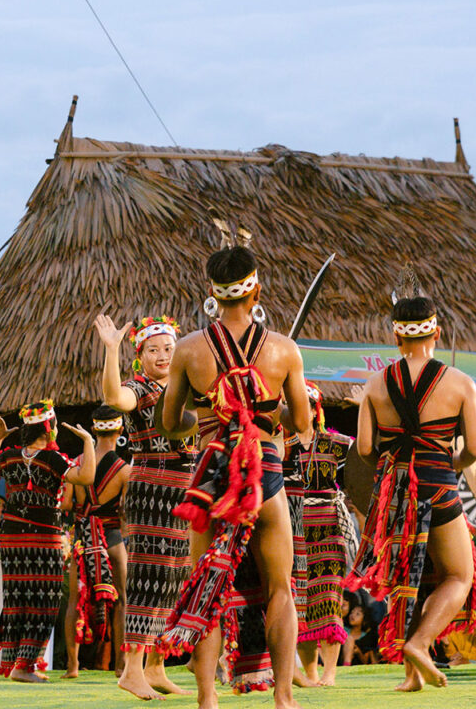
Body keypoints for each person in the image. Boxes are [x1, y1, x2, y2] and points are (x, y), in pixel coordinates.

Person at [155, 244, 312, 709]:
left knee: (208, 582)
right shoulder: (284, 350)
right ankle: (283, 697)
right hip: (266, 476)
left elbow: (169, 423)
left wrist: (209, 413)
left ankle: (208, 697)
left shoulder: (188, 350)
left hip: (213, 479)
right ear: (255, 288)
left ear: (212, 294)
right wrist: (266, 408)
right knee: (281, 588)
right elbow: (301, 423)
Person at [346, 294, 476, 692]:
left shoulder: (375, 384)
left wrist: (397, 469)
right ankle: (420, 644)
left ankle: (411, 676)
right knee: (458, 576)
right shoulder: (460, 383)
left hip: (396, 493)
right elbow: (473, 449)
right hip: (439, 483)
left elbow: (367, 449)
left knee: (414, 579)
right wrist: (446, 466)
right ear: (437, 332)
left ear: (396, 337)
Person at [94, 313, 191, 700]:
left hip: (184, 487)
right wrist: (111, 349)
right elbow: (113, 399)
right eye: (154, 349)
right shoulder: (139, 386)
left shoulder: (185, 387)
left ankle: (156, 666)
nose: (163, 355)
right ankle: (131, 669)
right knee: (148, 577)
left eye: (169, 348)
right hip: (152, 486)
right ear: (141, 354)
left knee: (173, 579)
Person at [0, 401, 96, 682]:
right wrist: (89, 443)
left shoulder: (9, 456)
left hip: (12, 538)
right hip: (44, 538)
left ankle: (17, 664)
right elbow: (87, 476)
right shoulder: (53, 460)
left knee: (18, 599)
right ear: (49, 428)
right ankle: (24, 667)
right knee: (43, 601)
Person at [288, 382, 356, 687]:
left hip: (327, 527)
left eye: (307, 405)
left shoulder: (336, 443)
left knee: (328, 599)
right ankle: (311, 673)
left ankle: (329, 672)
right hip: (291, 529)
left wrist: (364, 410)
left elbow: (367, 455)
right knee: (300, 605)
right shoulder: (280, 444)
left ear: (316, 411)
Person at [61, 405, 129, 678]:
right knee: (122, 599)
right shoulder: (124, 471)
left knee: (74, 602)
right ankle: (121, 665)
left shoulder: (76, 464)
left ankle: (73, 665)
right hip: (112, 539)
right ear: (121, 431)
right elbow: (126, 513)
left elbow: (66, 504)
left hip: (83, 538)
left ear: (92, 431)